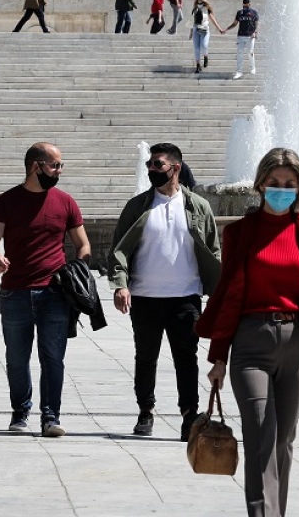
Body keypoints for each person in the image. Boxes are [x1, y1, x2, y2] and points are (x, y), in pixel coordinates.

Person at [195, 147, 299, 517]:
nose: (281, 189)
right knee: (260, 434)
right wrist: (218, 357)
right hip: (251, 343)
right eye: (274, 183)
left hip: (296, 344)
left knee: (283, 441)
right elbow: (229, 294)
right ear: (261, 185)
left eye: (289, 184)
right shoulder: (241, 233)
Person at [108, 143, 221, 440]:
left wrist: (218, 289)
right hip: (145, 296)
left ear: (175, 168)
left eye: (157, 165)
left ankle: (189, 416)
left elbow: (213, 250)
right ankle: (145, 411)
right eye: (149, 165)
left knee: (187, 359)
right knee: (146, 357)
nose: (151, 170)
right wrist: (120, 285)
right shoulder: (138, 206)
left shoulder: (199, 206)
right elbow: (118, 248)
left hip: (185, 296)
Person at [0, 142, 91, 437]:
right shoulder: (7, 200)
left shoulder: (65, 201)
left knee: (52, 356)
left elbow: (83, 244)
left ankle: (50, 417)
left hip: (54, 294)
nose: (59, 171)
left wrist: (77, 271)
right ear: (36, 166)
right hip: (15, 291)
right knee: (16, 357)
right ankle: (20, 413)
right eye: (55, 165)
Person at [189, 0, 225, 74]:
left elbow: (213, 20)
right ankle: (198, 65)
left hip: (205, 30)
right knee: (196, 48)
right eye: (198, 3)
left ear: (204, 3)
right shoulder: (194, 10)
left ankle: (205, 56)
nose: (200, 4)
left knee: (204, 45)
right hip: (196, 29)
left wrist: (219, 29)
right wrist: (191, 32)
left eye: (201, 3)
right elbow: (192, 21)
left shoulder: (207, 10)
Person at [226, 0, 259, 80]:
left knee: (250, 52)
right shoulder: (239, 13)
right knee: (239, 53)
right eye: (244, 5)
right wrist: (227, 29)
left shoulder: (254, 12)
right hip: (241, 35)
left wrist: (255, 32)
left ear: (249, 4)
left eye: (247, 5)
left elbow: (256, 24)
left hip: (250, 36)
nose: (245, 7)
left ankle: (252, 68)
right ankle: (239, 71)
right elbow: (235, 23)